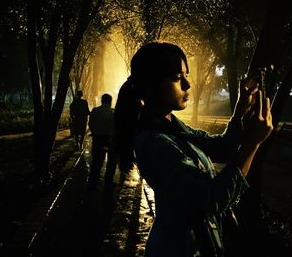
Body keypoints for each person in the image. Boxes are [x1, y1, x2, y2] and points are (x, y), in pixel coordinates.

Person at [114, 41, 273, 257]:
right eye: (176, 78)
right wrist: (252, 144)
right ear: (151, 86)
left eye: (185, 75)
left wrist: (240, 111)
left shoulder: (173, 126)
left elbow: (221, 148)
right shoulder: (153, 141)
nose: (188, 85)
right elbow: (212, 199)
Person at [88, 93, 117, 187]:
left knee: (96, 160)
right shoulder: (113, 113)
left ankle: (93, 180)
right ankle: (108, 182)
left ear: (101, 100)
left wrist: (94, 131)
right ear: (110, 102)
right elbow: (116, 127)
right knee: (111, 162)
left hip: (97, 138)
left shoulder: (95, 111)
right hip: (110, 140)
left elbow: (90, 124)